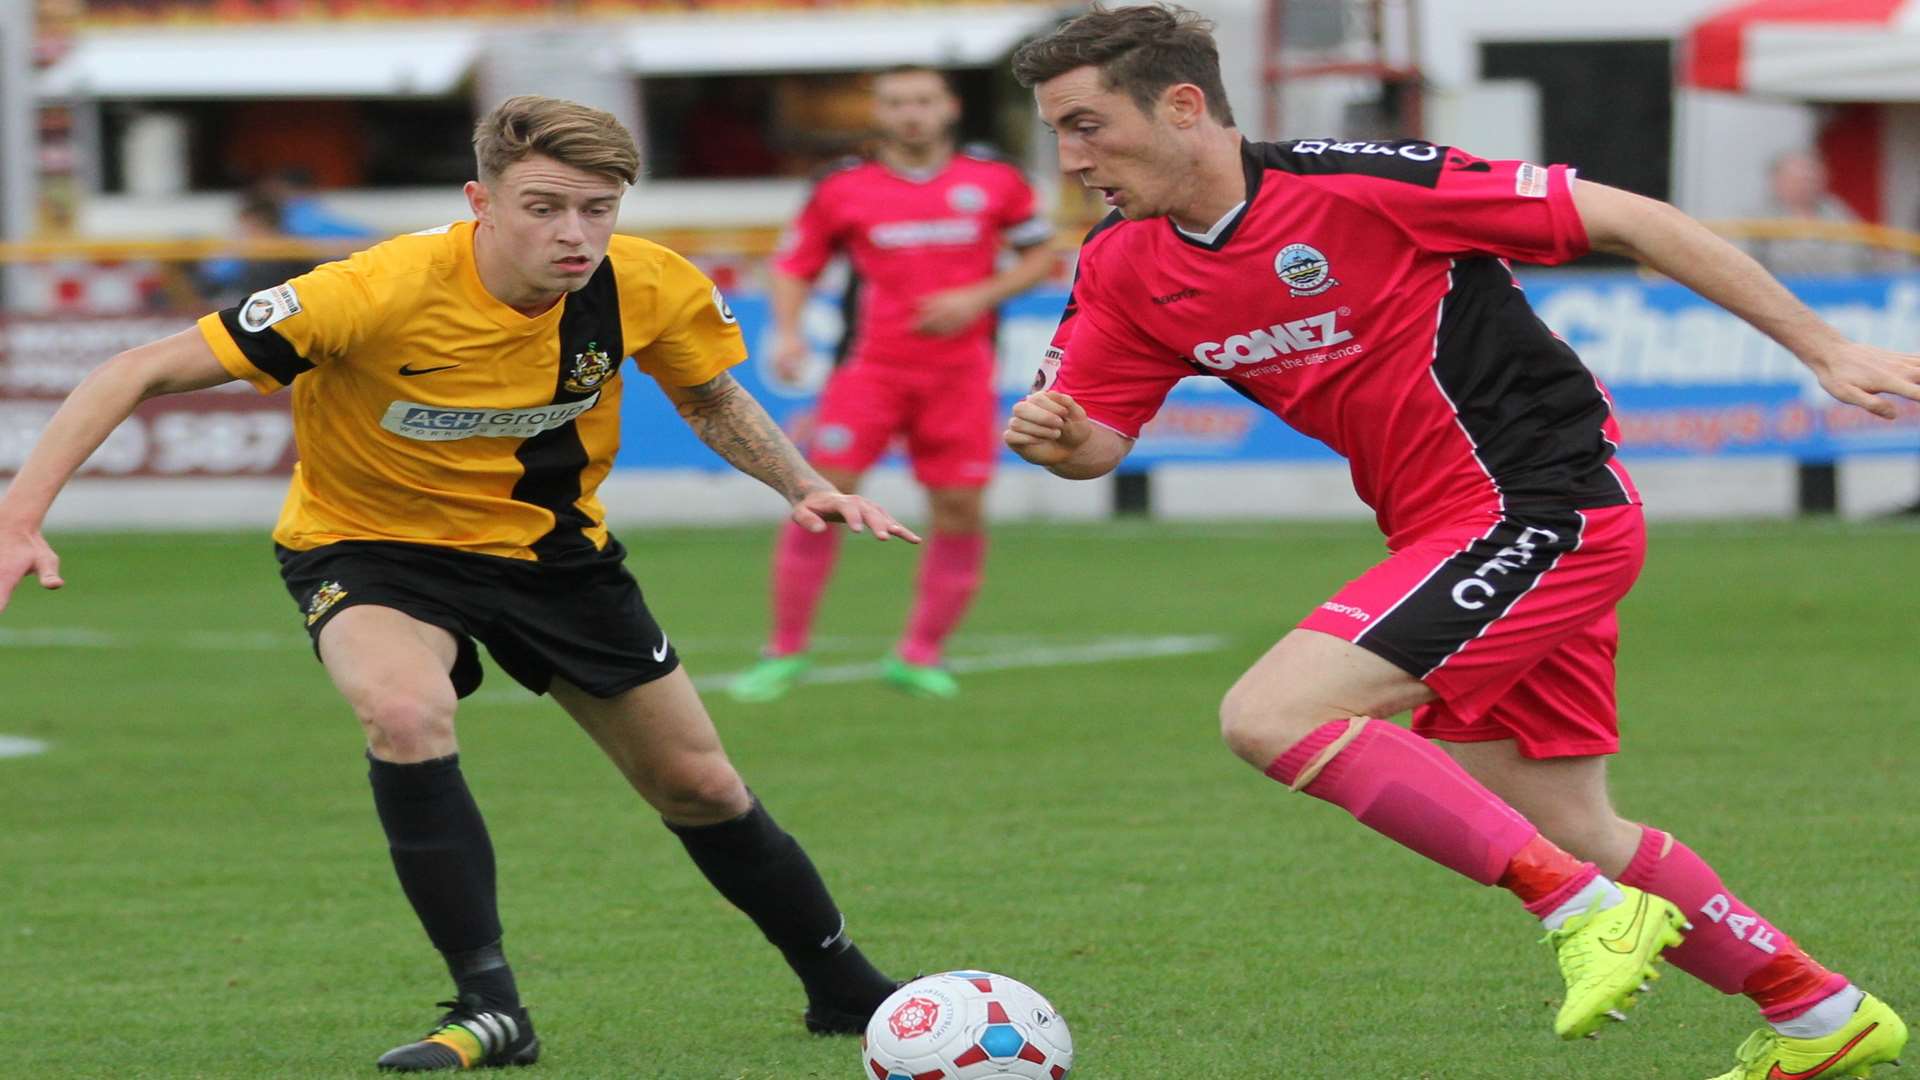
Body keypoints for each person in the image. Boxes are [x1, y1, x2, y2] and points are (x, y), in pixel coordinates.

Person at [1004, 7, 1916, 1079]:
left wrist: (1823, 346)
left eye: (1086, 126)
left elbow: (1631, 218)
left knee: (1273, 714)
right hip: (1453, 534)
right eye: (1058, 133)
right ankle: (1818, 1011)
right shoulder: (1123, 265)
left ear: (1184, 106)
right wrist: (1056, 439)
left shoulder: (1356, 183)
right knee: (1576, 824)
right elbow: (1098, 438)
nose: (1070, 161)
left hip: (1544, 508)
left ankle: (1582, 913)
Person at [0, 95, 918, 1072]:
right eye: (544, 206)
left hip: (552, 556)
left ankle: (845, 987)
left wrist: (803, 484)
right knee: (404, 714)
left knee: (697, 782)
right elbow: (135, 369)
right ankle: (490, 1005)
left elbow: (708, 391)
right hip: (370, 548)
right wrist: (20, 516)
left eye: (598, 208)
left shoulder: (647, 284)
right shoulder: (372, 289)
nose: (574, 233)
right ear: (481, 200)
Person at [727, 65, 1058, 703]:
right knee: (822, 500)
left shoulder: (993, 181)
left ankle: (921, 653)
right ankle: (785, 651)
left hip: (961, 376)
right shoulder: (845, 188)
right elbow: (795, 265)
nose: (912, 114)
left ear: (949, 107)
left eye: (923, 101)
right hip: (869, 371)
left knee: (960, 509)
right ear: (878, 113)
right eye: (898, 103)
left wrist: (977, 296)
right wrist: (789, 332)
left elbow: (1043, 254)